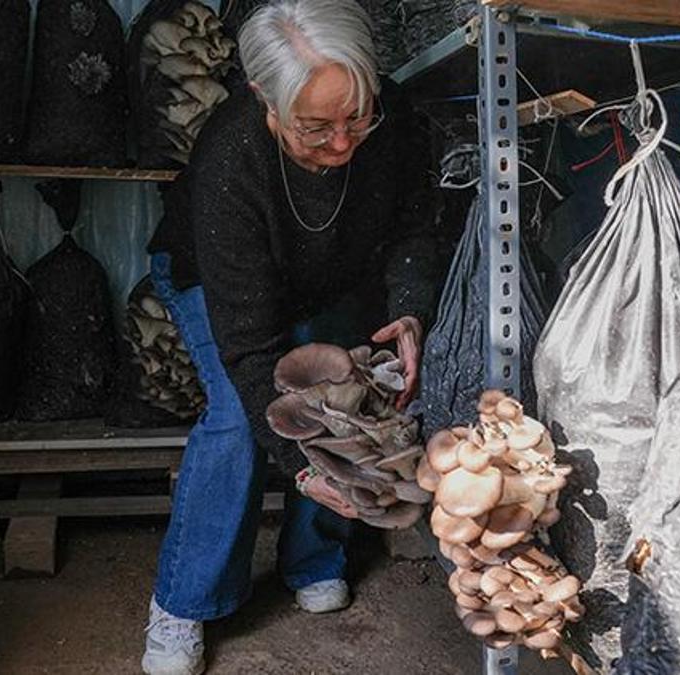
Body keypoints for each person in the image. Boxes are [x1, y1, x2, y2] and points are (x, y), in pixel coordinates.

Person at [140, 1, 440, 673]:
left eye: (356, 115)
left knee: (344, 394)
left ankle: (315, 556)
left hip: (331, 271)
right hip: (215, 278)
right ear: (264, 101)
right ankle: (185, 599)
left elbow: (414, 224)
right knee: (239, 420)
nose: (342, 143)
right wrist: (301, 466)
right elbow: (250, 351)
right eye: (315, 127)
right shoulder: (231, 157)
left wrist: (411, 310)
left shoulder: (392, 124)